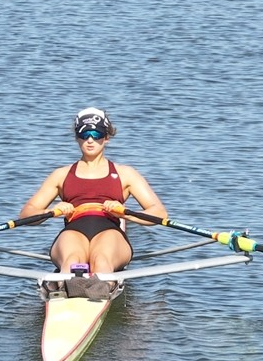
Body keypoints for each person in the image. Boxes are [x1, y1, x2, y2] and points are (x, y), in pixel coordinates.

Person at [19, 108, 168, 292]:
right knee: (71, 259)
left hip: (109, 230)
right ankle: (67, 285)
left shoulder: (125, 174)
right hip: (75, 228)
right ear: (77, 137)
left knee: (101, 259)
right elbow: (27, 213)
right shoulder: (61, 175)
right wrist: (52, 211)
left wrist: (124, 214)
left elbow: (158, 213)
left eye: (96, 133)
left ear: (106, 138)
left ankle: (99, 287)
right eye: (84, 133)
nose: (90, 139)